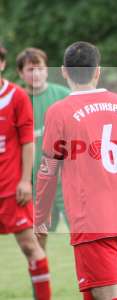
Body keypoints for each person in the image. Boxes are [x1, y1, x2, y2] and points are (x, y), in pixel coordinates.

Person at [34, 41, 117, 300]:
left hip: (91, 221)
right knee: (95, 292)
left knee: (109, 293)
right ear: (98, 71)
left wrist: (40, 214)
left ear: (63, 71)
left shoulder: (59, 112)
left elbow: (48, 169)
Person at [0, 42, 51, 299]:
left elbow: (27, 142)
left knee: (30, 247)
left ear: (2, 63)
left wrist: (24, 181)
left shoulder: (17, 96)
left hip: (11, 189)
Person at [17, 47, 70, 248]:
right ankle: (40, 277)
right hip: (35, 183)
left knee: (80, 229)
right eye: (30, 70)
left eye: (40, 68)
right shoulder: (16, 99)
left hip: (66, 179)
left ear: (47, 70)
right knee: (38, 236)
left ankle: (91, 277)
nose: (36, 74)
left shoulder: (64, 95)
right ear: (21, 73)